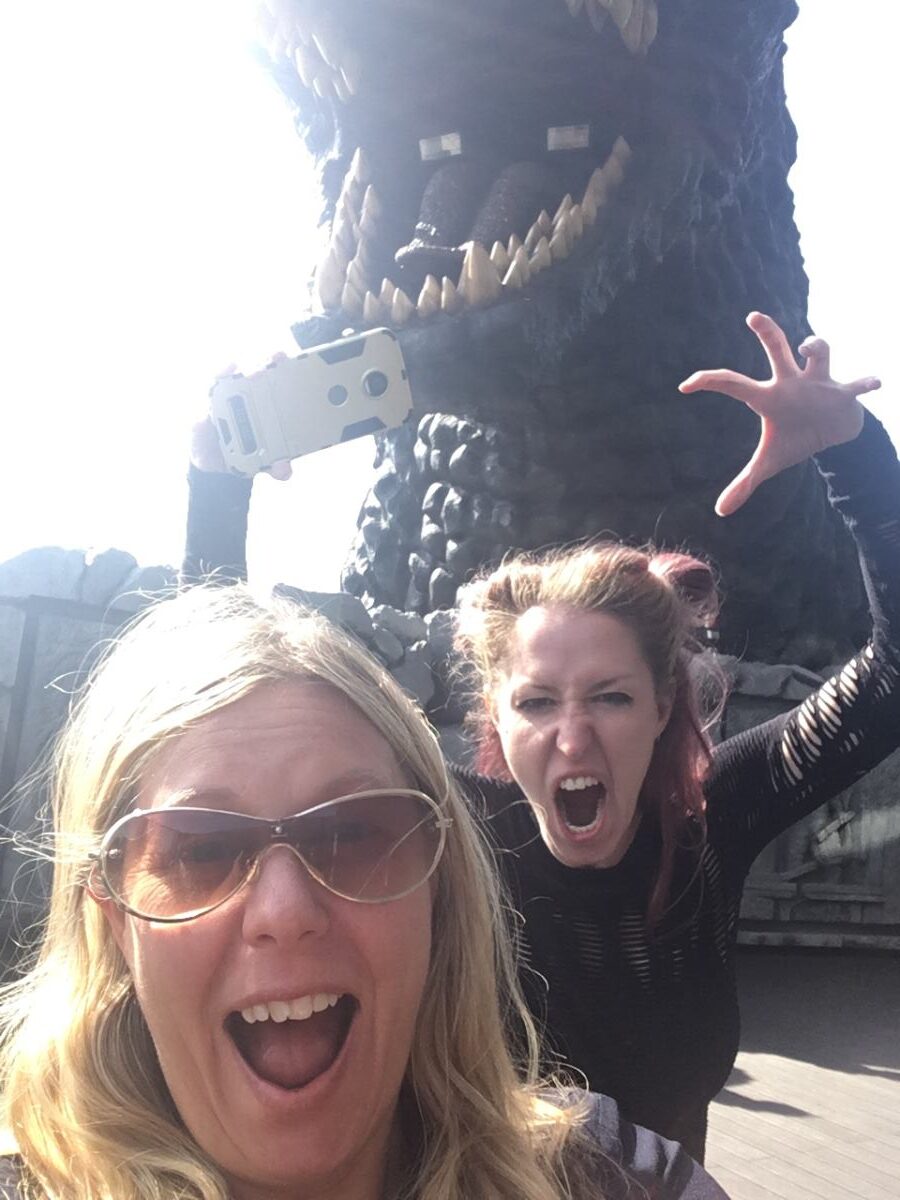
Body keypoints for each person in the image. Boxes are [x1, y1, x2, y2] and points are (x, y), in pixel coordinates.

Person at [178, 312, 898, 1161]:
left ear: (663, 705)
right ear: (497, 717)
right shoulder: (450, 828)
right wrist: (217, 482)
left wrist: (854, 452)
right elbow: (228, 703)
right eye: (538, 703)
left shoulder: (713, 817)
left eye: (611, 698)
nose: (573, 738)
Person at [0, 586, 729, 1199]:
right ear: (114, 917)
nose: (285, 912)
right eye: (202, 850)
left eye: (350, 833)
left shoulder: (606, 1176)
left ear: (439, 889)